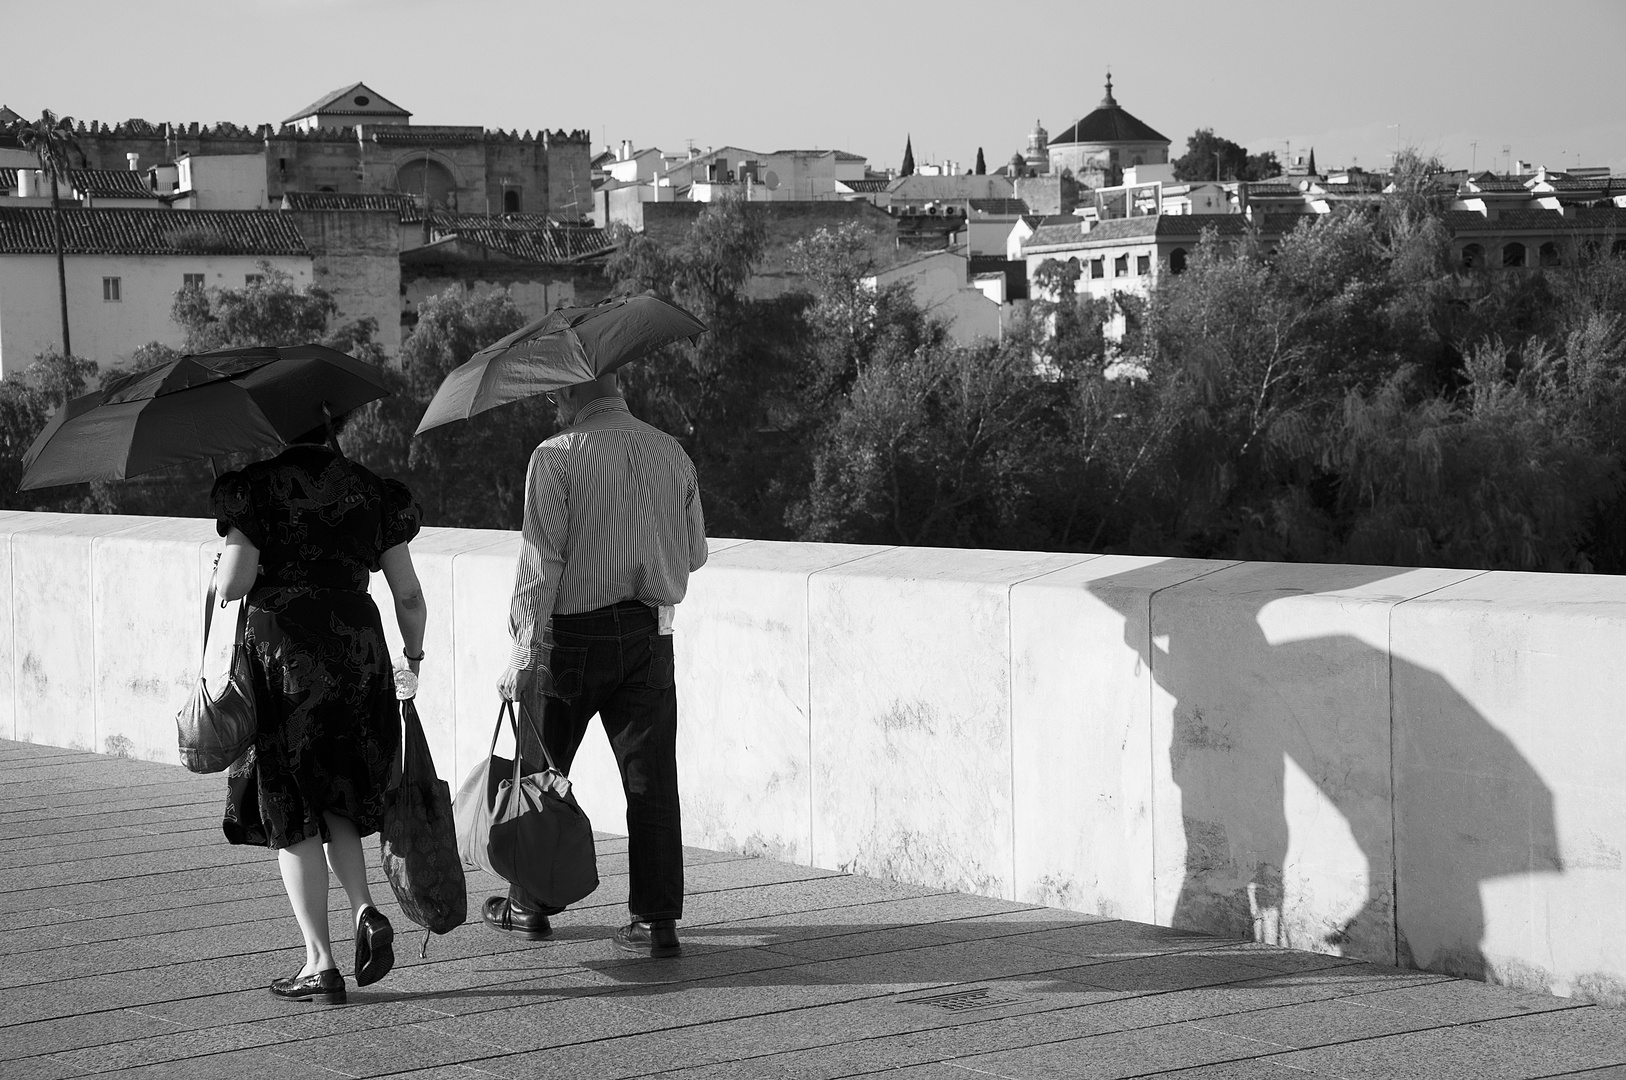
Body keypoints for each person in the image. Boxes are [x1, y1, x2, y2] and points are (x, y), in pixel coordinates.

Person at [488, 371, 707, 958]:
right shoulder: (671, 452)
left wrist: (524, 645)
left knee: (542, 768)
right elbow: (697, 552)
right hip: (647, 635)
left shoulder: (554, 456)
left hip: (571, 637)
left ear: (578, 395)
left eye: (558, 393)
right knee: (653, 783)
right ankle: (657, 920)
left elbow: (543, 558)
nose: (555, 404)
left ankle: (530, 905)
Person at [211, 412, 427, 1005]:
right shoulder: (369, 490)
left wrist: (221, 563)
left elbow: (233, 584)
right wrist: (415, 653)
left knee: (291, 801)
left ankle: (320, 962)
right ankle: (364, 911)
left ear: (281, 427)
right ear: (332, 424)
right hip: (359, 655)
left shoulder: (254, 488)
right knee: (339, 793)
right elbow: (407, 593)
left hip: (284, 660)